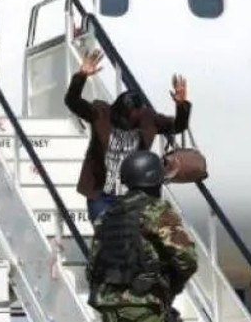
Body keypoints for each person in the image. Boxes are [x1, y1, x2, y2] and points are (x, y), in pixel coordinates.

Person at [87, 150, 198, 322]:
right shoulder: (156, 211)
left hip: (109, 308)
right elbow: (187, 258)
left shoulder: (107, 216)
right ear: (155, 181)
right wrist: (169, 285)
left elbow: (94, 265)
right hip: (144, 306)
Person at [64, 50, 192, 222]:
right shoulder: (101, 113)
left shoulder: (149, 119)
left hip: (134, 194)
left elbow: (178, 126)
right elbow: (72, 101)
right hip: (101, 193)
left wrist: (181, 105)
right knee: (106, 235)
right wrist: (81, 76)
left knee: (132, 239)